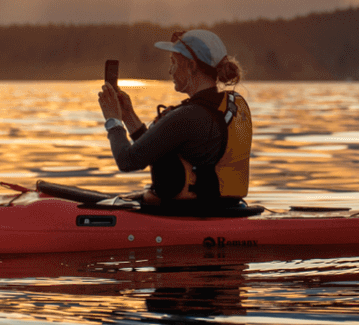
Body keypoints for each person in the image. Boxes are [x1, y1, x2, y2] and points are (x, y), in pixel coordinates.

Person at [97, 29, 253, 214]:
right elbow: (154, 149)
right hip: (226, 208)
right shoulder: (226, 106)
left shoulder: (188, 117)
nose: (170, 70)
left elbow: (127, 160)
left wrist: (113, 120)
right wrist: (128, 115)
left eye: (174, 62)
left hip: (192, 214)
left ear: (192, 66)